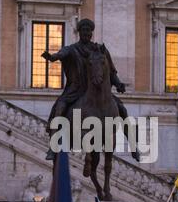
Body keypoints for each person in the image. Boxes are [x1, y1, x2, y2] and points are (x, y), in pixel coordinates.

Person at [42, 18, 140, 162]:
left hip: (98, 90)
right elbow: (62, 53)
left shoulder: (100, 50)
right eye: (84, 30)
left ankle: (133, 146)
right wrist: (53, 57)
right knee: (59, 108)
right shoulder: (73, 48)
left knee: (122, 109)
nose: (86, 33)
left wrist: (118, 84)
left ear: (91, 33)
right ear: (79, 32)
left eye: (89, 31)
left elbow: (111, 71)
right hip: (76, 89)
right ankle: (53, 146)